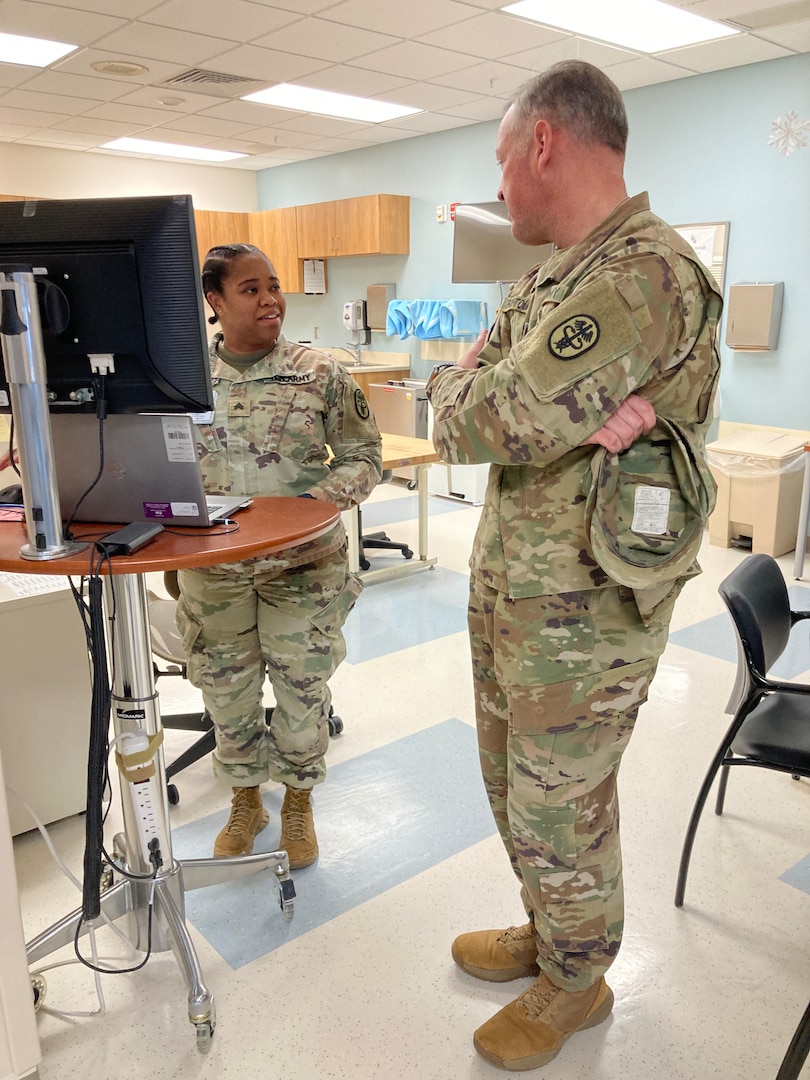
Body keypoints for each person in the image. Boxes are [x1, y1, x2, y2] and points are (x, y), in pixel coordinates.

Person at [426, 61, 721, 1072]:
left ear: (544, 144)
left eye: (505, 164)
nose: (502, 189)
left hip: (586, 607)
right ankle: (551, 933)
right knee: (515, 784)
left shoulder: (639, 275)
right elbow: (472, 397)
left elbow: (489, 415)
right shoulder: (553, 274)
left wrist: (492, 394)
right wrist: (494, 392)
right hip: (521, 577)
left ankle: (579, 977)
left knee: (563, 801)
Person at [176, 243, 382, 868]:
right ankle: (246, 800)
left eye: (274, 285)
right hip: (214, 566)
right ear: (215, 300)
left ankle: (297, 800)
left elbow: (364, 456)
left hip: (304, 563)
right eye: (250, 289)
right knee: (227, 688)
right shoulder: (182, 378)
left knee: (301, 687)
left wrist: (309, 505)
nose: (270, 299)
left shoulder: (319, 372)